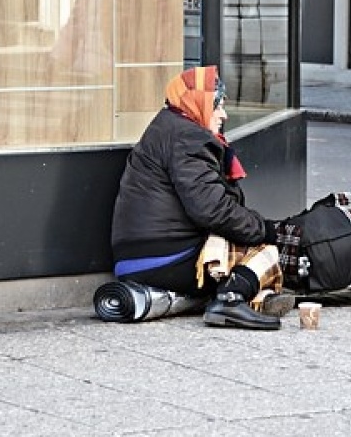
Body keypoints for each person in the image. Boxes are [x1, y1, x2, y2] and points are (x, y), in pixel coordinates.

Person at [111, 66, 295, 330]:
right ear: (199, 103)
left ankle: (255, 297)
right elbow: (212, 210)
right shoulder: (188, 137)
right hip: (163, 258)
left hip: (140, 256)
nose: (223, 114)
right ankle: (229, 301)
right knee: (266, 252)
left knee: (231, 246)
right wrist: (263, 229)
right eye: (217, 105)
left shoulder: (168, 126)